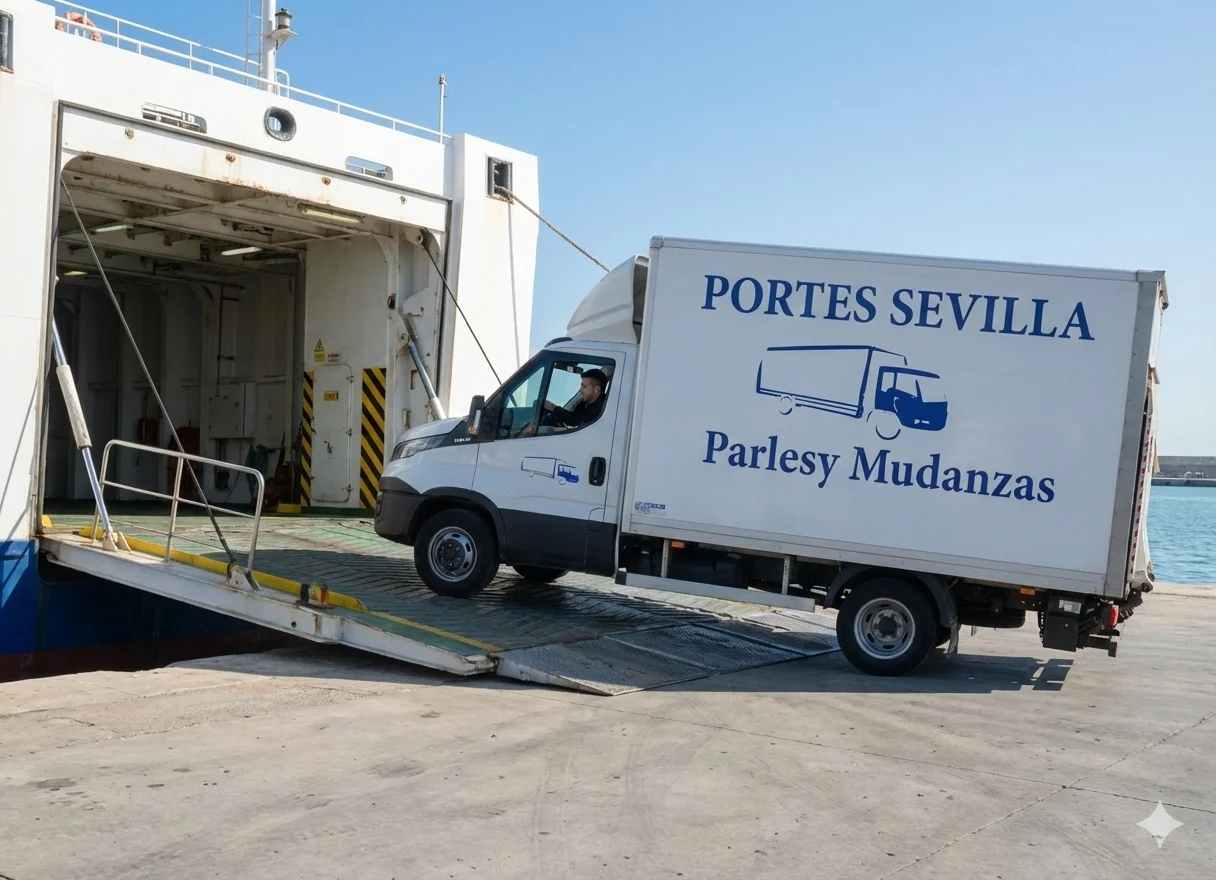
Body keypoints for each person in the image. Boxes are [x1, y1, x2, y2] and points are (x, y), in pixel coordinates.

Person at [512, 368, 608, 438]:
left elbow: (575, 421)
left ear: (597, 390)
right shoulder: (585, 404)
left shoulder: (602, 410)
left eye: (584, 386)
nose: (580, 390)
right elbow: (573, 417)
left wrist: (553, 407)